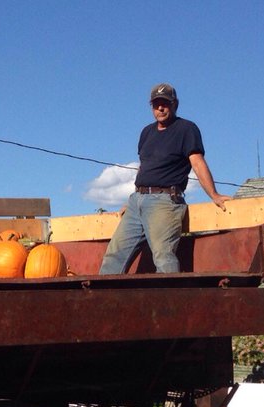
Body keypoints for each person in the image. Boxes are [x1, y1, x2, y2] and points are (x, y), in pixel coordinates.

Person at [99, 82, 235, 275]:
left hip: (164, 201)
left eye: (165, 103)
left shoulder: (186, 129)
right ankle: (101, 302)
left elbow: (197, 162)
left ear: (175, 104)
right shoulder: (147, 132)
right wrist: (133, 199)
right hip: (137, 201)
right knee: (114, 254)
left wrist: (213, 194)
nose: (160, 108)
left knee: (163, 256)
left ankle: (171, 302)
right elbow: (145, 167)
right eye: (156, 104)